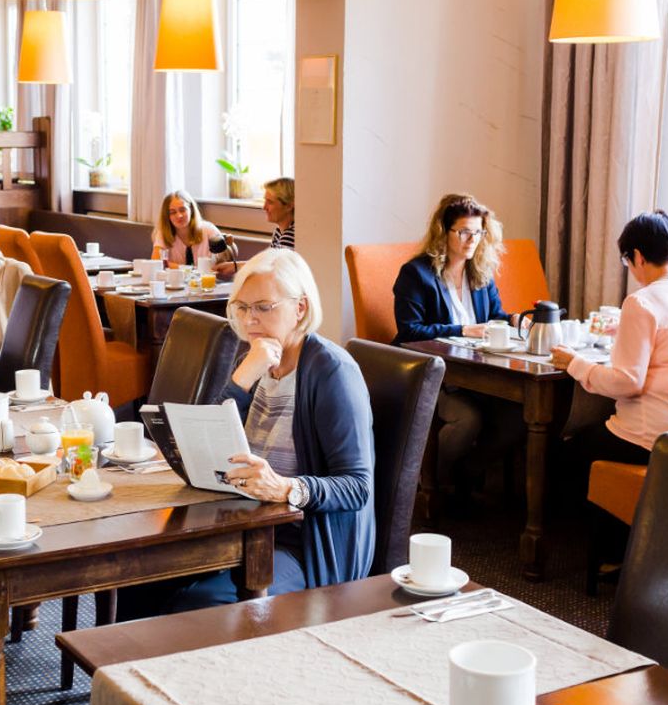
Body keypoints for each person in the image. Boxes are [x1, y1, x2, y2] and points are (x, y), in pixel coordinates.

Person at [119, 249, 374, 617]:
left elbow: (357, 486)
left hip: (305, 545)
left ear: (299, 308)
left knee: (199, 605)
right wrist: (242, 378)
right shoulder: (257, 361)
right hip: (246, 525)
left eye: (264, 307)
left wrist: (286, 488)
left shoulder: (331, 372)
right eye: (242, 307)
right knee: (135, 575)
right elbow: (208, 440)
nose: (251, 319)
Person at [550, 210, 668, 463]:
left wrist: (574, 363)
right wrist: (625, 329)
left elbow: (627, 383)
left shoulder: (641, 302)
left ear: (638, 256)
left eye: (627, 260)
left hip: (657, 438)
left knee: (561, 452)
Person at [392, 193, 516, 494]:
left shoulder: (481, 273)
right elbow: (409, 331)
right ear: (443, 232)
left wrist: (516, 320)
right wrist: (463, 329)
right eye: (463, 232)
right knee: (468, 419)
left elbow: (495, 316)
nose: (471, 239)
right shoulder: (417, 274)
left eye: (477, 232)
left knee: (517, 417)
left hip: (479, 374)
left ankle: (466, 470)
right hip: (435, 374)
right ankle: (424, 480)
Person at [150, 190, 228, 270]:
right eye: (173, 212)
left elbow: (226, 260)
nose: (179, 216)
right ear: (167, 216)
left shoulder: (208, 230)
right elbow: (156, 261)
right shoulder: (164, 233)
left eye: (182, 210)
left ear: (191, 209)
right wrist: (190, 270)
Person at [264, 177, 295, 249]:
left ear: (289, 206)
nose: (264, 207)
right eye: (265, 201)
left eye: (270, 202)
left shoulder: (289, 237)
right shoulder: (278, 232)